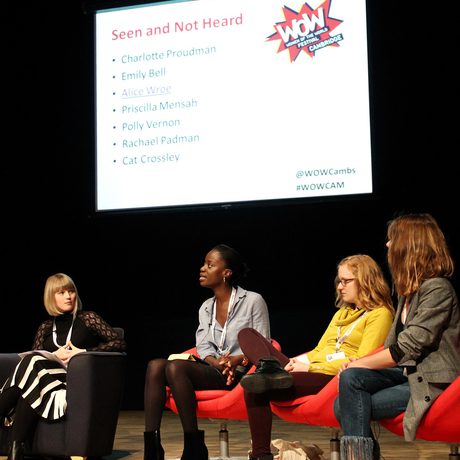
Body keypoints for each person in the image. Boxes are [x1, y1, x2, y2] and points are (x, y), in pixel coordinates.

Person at [235, 254, 395, 460]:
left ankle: (272, 371)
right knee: (248, 337)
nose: (340, 287)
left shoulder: (379, 314)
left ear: (366, 281)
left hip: (336, 377)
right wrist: (299, 362)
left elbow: (361, 360)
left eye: (346, 281)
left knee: (258, 383)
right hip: (311, 370)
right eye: (339, 281)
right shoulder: (341, 314)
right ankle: (260, 455)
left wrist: (309, 367)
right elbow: (320, 349)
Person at [333, 213, 460, 460]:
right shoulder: (408, 292)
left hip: (431, 380)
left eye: (393, 240)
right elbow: (394, 348)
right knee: (351, 380)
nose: (388, 245)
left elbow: (405, 349)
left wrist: (358, 362)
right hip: (407, 373)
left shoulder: (438, 288)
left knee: (344, 403)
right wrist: (355, 366)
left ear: (410, 246)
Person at [143, 244, 271, 460]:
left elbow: (263, 344)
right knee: (155, 366)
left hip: (239, 371)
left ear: (226, 273)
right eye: (204, 264)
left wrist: (237, 359)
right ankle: (152, 449)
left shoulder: (252, 301)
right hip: (215, 368)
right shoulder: (206, 307)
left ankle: (193, 445)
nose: (202, 269)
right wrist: (216, 362)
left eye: (210, 265)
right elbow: (203, 345)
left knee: (175, 368)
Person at [0, 273, 127, 460]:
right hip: (42, 384)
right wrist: (54, 356)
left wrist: (82, 352)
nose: (68, 296)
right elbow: (34, 358)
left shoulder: (88, 319)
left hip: (69, 383)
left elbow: (119, 343)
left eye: (71, 291)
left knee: (32, 366)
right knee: (32, 369)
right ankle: (15, 451)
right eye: (61, 292)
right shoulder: (45, 327)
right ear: (51, 297)